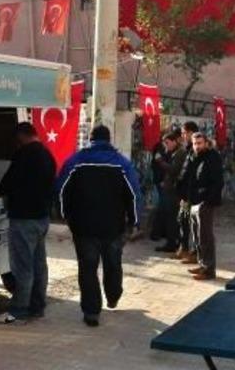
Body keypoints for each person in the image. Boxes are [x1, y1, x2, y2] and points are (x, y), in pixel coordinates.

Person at [56, 125, 142, 327]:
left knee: (87, 268)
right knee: (113, 264)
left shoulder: (75, 161)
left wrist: (65, 216)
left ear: (90, 139)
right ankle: (113, 296)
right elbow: (134, 194)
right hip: (113, 227)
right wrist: (134, 221)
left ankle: (92, 311)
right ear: (109, 139)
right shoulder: (121, 163)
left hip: (83, 227)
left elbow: (60, 190)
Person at [0, 122, 57, 324]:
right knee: (39, 265)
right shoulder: (48, 155)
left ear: (21, 136)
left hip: (24, 219)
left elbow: (8, 183)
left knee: (23, 267)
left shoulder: (24, 155)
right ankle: (37, 307)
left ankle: (19, 310)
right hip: (42, 219)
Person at [185, 132, 224, 280]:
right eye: (195, 144)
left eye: (199, 143)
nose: (197, 146)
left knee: (206, 236)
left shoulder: (212, 157)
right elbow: (191, 180)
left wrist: (207, 201)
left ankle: (209, 270)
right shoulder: (194, 157)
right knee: (197, 236)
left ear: (206, 143)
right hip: (195, 202)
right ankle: (202, 264)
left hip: (206, 203)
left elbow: (218, 182)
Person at [154, 131, 186, 253]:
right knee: (170, 217)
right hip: (171, 189)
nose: (166, 146)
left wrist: (161, 161)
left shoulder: (179, 154)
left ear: (174, 141)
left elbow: (173, 170)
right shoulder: (174, 153)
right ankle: (172, 242)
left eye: (167, 143)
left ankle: (172, 243)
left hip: (174, 191)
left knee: (172, 218)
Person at [174, 121, 199, 262]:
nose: (183, 136)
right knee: (182, 220)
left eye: (184, 133)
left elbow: (193, 174)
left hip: (192, 193)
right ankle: (184, 248)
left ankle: (194, 253)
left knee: (194, 224)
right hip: (185, 193)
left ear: (191, 132)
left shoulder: (196, 150)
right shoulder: (188, 149)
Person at [149, 139, 170, 241]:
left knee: (163, 206)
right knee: (161, 206)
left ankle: (161, 231)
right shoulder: (159, 147)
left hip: (161, 181)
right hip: (160, 181)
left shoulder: (163, 148)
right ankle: (156, 232)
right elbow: (158, 162)